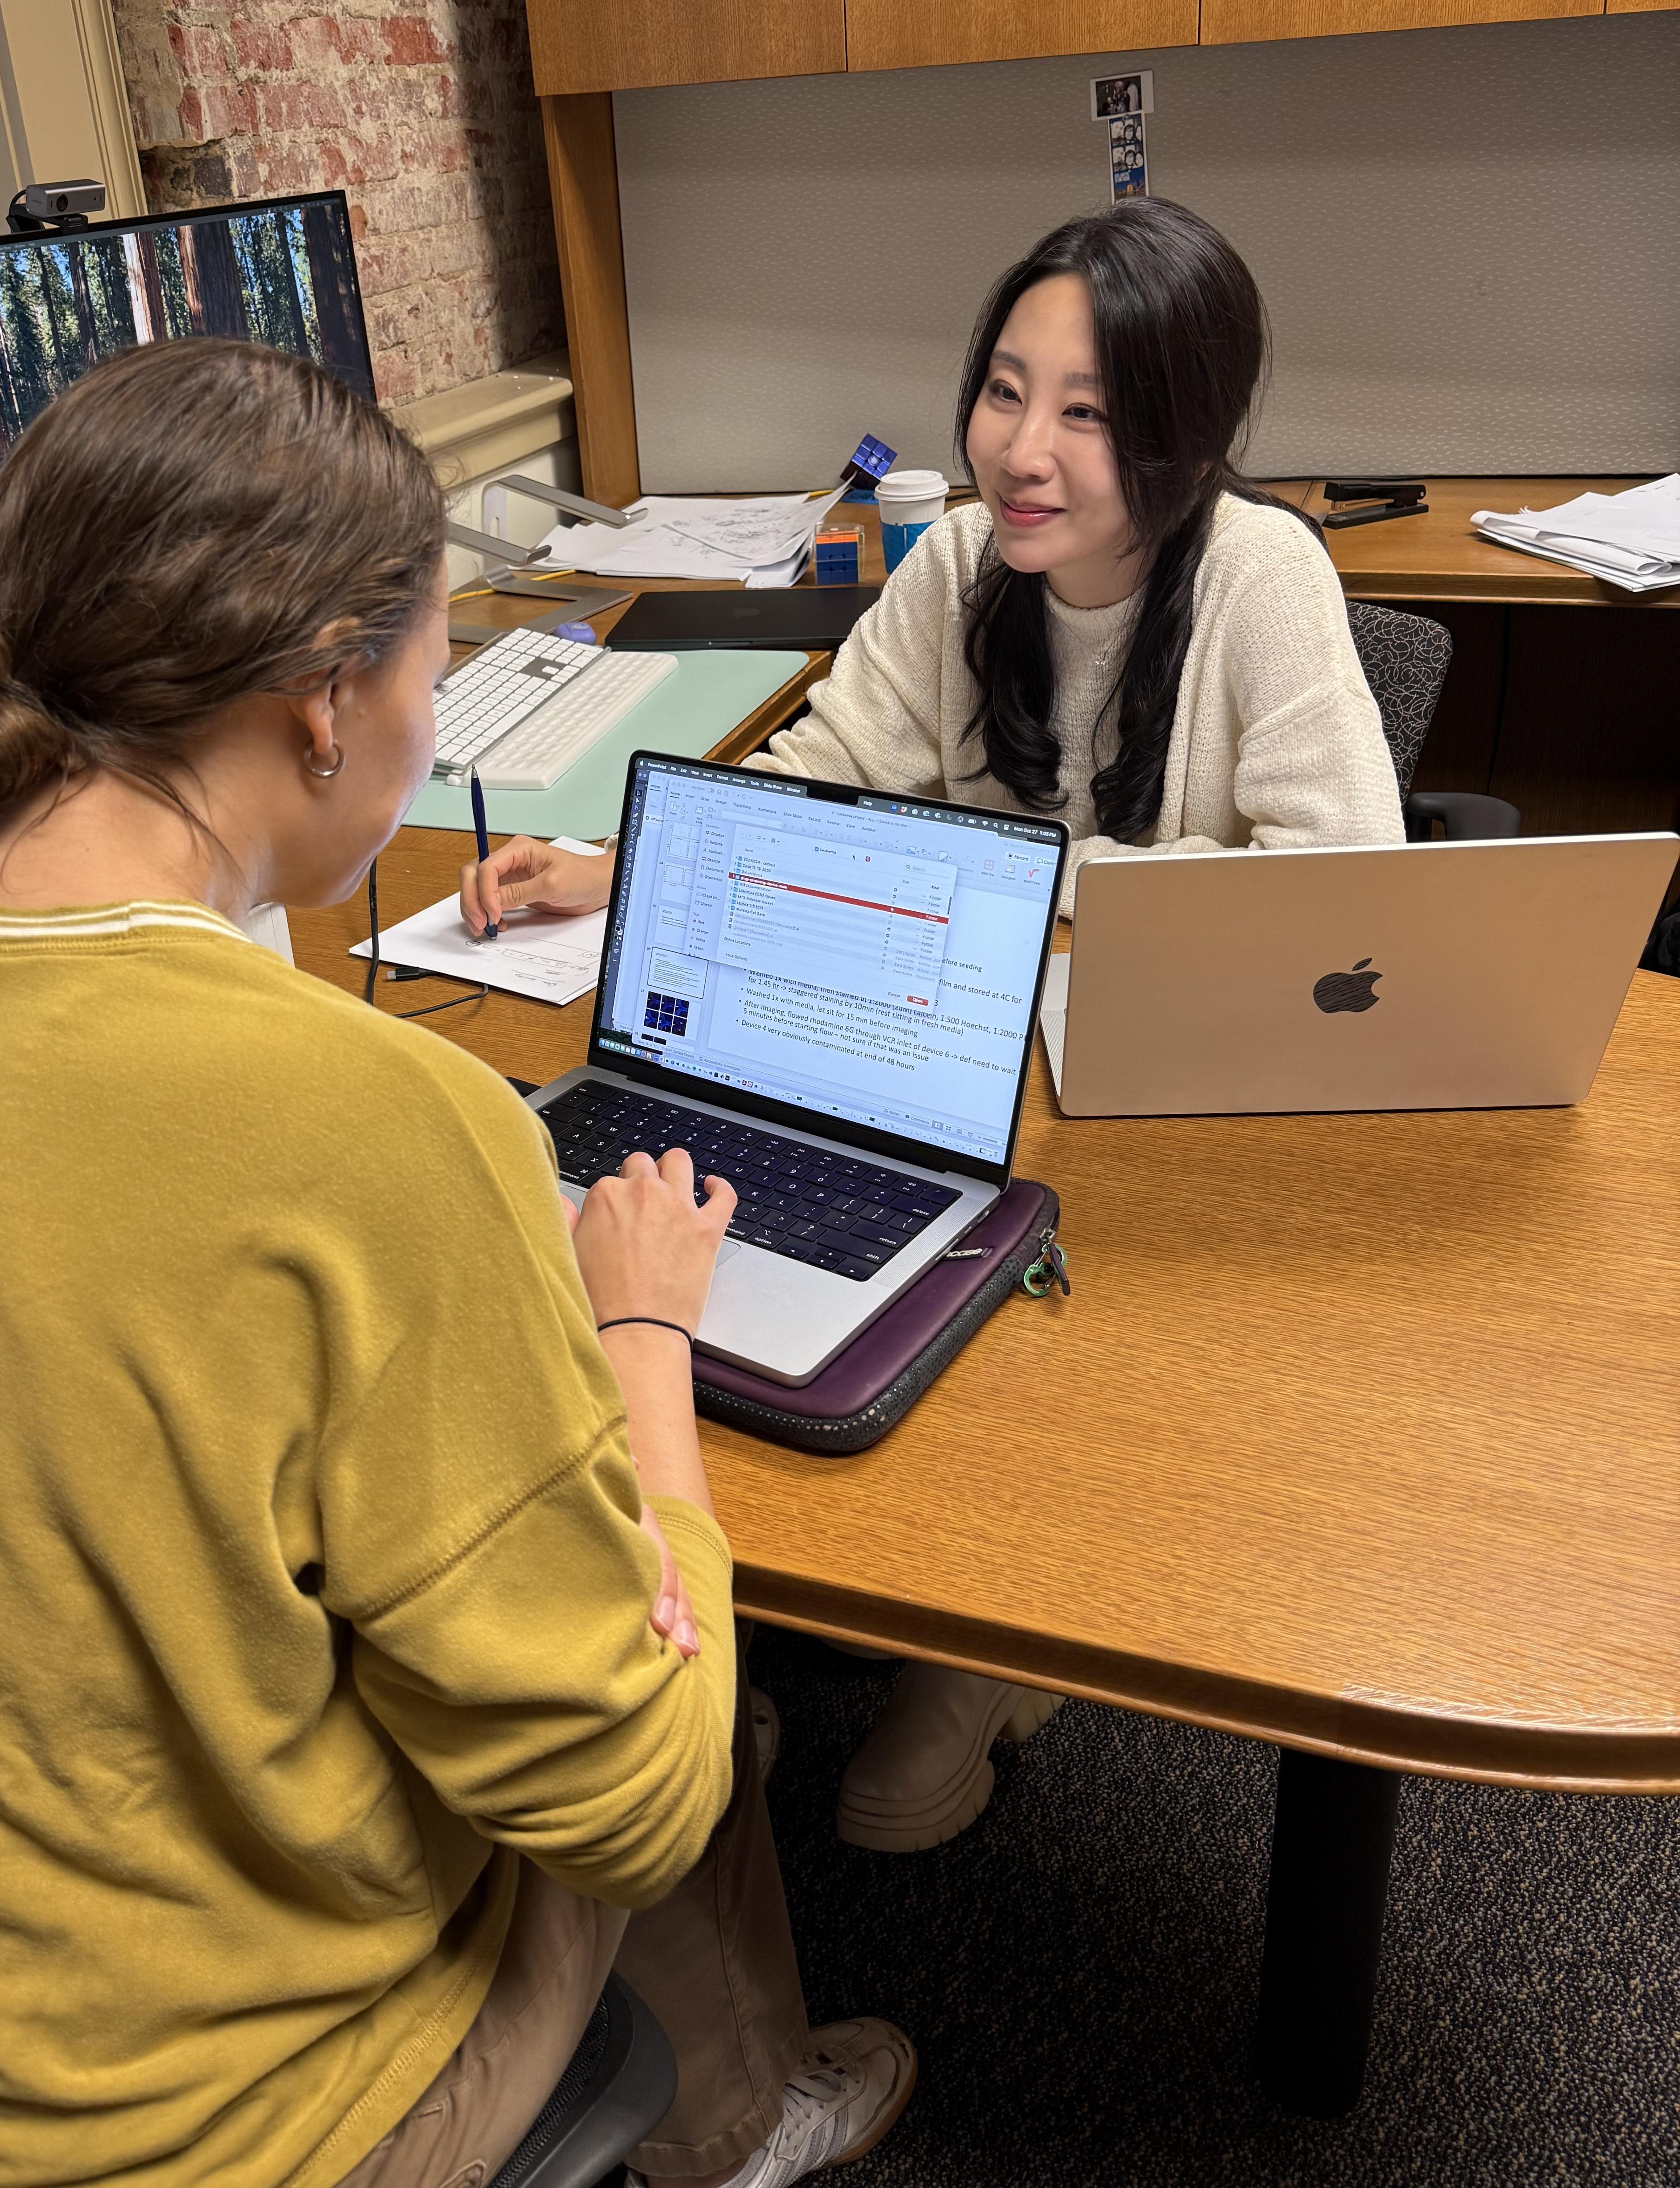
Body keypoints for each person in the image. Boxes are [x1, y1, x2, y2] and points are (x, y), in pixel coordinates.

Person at [0, 339, 914, 2188]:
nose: (436, 716)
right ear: (325, 700)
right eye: (439, 671)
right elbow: (631, 1790)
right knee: (696, 1716)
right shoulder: (374, 1128)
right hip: (146, 2187)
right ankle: (730, 2129)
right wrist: (644, 1338)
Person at [461, 198, 1403, 1856]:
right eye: (1003, 388)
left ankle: (984, 1650)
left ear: (1183, 434)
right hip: (940, 1060)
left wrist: (1017, 888)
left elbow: (1340, 889)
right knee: (794, 1225)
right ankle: (840, 1600)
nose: (1023, 449)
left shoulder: (1262, 575)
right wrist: (623, 867)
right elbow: (830, 769)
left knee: (1032, 1302)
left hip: (1141, 1094)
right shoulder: (959, 558)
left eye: (1089, 410)